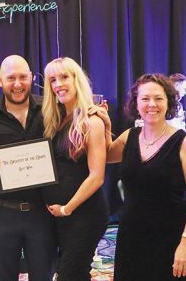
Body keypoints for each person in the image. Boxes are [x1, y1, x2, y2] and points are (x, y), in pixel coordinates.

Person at [91, 73, 186, 280]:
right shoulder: (129, 137)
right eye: (145, 99)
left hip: (172, 238)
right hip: (132, 236)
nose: (151, 104)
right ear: (136, 103)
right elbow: (105, 156)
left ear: (168, 102)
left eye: (158, 98)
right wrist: (106, 126)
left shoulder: (185, 143)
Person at [0, 55, 56, 281]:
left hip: (42, 212)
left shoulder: (50, 110)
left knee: (43, 276)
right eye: (11, 78)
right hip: (2, 212)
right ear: (0, 80)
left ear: (31, 78)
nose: (17, 84)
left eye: (22, 77)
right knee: (3, 276)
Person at [41, 57, 109, 281]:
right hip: (60, 216)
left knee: (70, 274)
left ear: (76, 80)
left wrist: (67, 209)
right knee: (75, 274)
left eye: (64, 77)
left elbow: (97, 177)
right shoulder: (56, 119)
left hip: (84, 215)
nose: (58, 84)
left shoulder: (91, 121)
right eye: (52, 80)